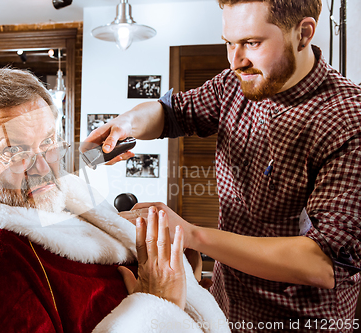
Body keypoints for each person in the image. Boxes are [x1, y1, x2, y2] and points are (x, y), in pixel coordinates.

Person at [85, 0, 361, 331]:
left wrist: (192, 235)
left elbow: (324, 263)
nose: (235, 60)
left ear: (303, 33)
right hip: (224, 308)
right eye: (229, 43)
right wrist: (127, 123)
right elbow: (172, 113)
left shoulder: (348, 120)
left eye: (252, 43)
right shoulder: (234, 84)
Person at [0, 68, 229, 333]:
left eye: (49, 141)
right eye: (14, 152)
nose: (45, 170)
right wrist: (159, 306)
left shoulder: (61, 195)